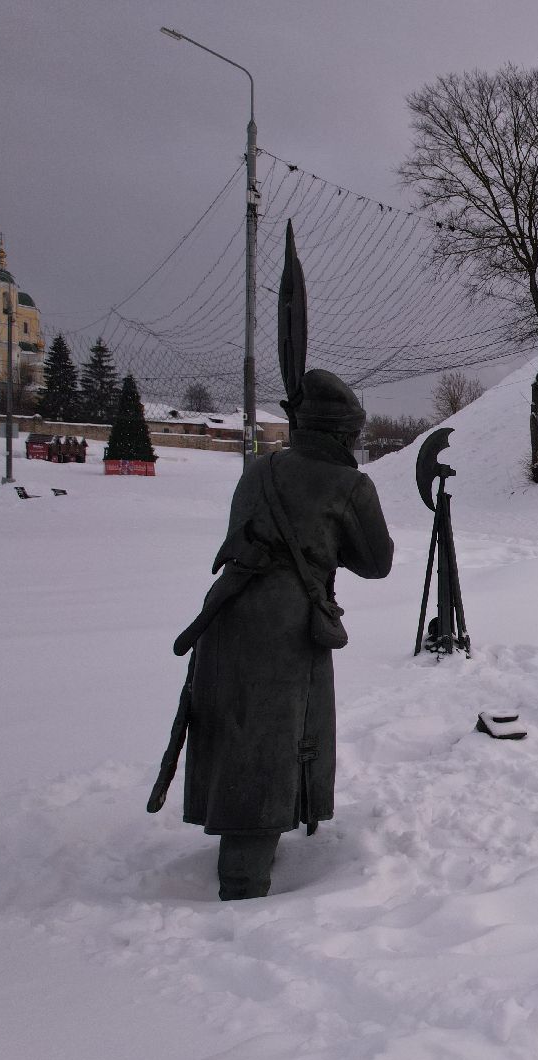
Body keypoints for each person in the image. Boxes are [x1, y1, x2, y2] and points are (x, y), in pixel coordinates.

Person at [170, 369, 393, 900]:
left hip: (227, 612)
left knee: (233, 726)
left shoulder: (259, 469)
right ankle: (244, 881)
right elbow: (376, 561)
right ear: (341, 435)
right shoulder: (350, 483)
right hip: (286, 626)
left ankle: (261, 828)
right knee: (269, 740)